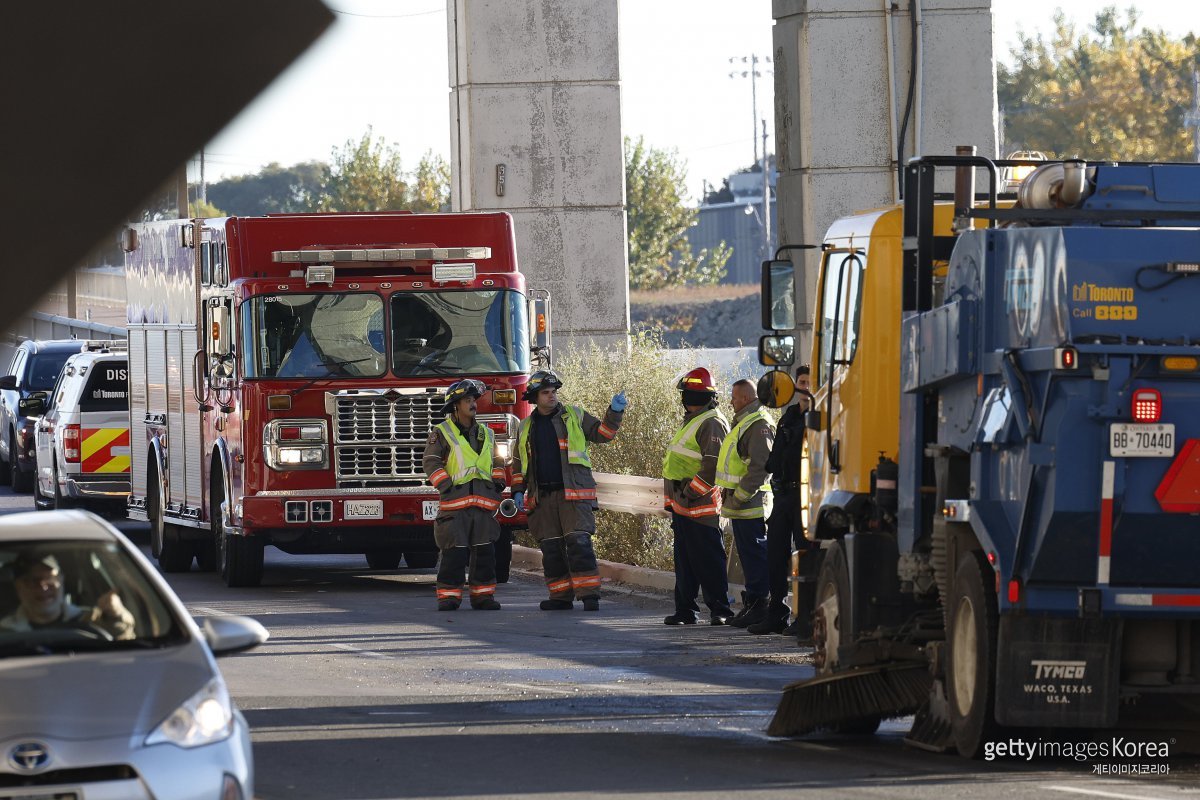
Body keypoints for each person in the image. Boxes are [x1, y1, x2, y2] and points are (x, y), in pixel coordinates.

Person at [512, 370, 625, 612]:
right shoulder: (525, 427)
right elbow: (518, 464)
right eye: (546, 393)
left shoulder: (574, 415)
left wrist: (615, 412)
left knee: (579, 544)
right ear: (534, 397)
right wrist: (517, 490)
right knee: (551, 550)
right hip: (542, 499)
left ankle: (589, 596)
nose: (551, 396)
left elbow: (604, 434)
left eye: (554, 392)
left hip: (573, 495)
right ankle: (560, 597)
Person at [423, 379, 505, 611]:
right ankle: (449, 597)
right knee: (454, 554)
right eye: (467, 401)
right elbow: (430, 461)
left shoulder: (487, 433)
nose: (473, 405)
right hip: (455, 506)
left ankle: (483, 597)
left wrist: (498, 481)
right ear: (456, 406)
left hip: (483, 505)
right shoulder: (441, 433)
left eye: (473, 400)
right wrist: (446, 485)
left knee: (485, 553)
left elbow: (497, 459)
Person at [662, 367, 734, 626]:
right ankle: (685, 610)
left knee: (708, 560)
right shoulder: (695, 419)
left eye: (688, 394)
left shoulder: (712, 422)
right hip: (683, 504)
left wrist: (691, 493)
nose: (684, 399)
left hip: (699, 504)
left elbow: (712, 466)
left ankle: (721, 610)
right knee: (685, 562)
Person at [752, 364, 817, 636]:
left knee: (805, 556)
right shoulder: (788, 417)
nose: (805, 387)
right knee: (776, 555)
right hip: (784, 494)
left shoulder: (822, 418)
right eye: (801, 381)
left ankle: (806, 617)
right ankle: (776, 612)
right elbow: (774, 459)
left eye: (810, 382)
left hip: (807, 495)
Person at [717, 379, 775, 629]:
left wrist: (740, 495)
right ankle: (753, 603)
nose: (731, 401)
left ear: (746, 398)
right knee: (749, 558)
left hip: (750, 504)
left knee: (755, 556)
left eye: (734, 396)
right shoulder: (744, 422)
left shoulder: (758, 424)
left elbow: (760, 467)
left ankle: (761, 605)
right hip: (741, 505)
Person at [1, 552, 135, 639]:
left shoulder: (94, 619)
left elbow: (129, 649)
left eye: (49, 578)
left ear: (61, 580)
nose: (43, 586)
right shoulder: (5, 631)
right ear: (18, 587)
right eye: (32, 581)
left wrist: (116, 616)